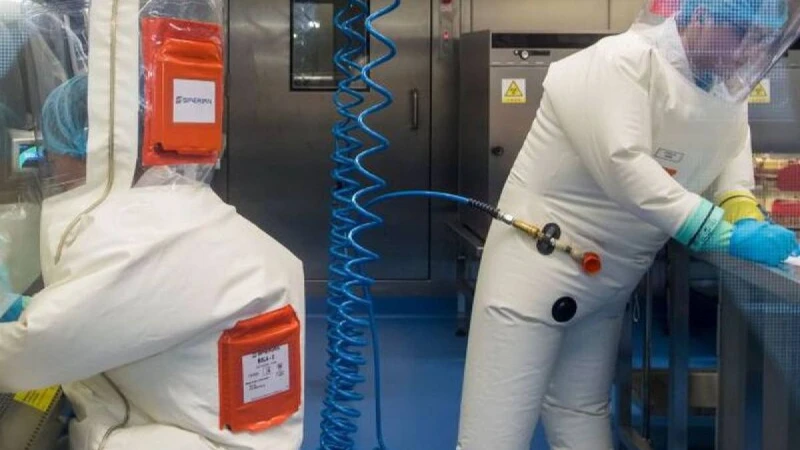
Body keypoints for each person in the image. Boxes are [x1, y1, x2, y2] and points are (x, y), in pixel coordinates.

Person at [457, 1, 800, 449]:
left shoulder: (723, 93)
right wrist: (718, 232)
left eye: (759, 41)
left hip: (608, 279)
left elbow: (729, 166)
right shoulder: (618, 63)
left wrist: (743, 212)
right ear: (701, 17)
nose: (746, 53)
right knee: (495, 433)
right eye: (740, 35)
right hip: (535, 271)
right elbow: (624, 166)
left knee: (580, 410)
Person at [0, 2, 306, 448]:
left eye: (54, 151)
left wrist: (21, 318)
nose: (51, 166)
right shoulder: (185, 213)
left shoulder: (143, 241)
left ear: (91, 150)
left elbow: (26, 356)